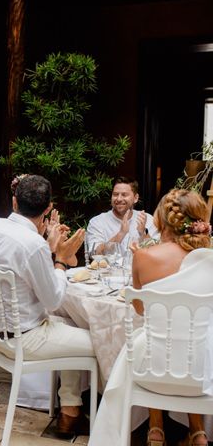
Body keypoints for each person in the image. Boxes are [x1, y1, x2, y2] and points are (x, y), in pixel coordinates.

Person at [89, 189, 212, 446]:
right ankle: (198, 433)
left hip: (153, 374)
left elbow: (140, 309)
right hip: (204, 376)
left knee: (148, 340)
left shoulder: (143, 256)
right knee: (192, 343)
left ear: (161, 220)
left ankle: (155, 431)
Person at [0, 174, 95, 437]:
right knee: (98, 340)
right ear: (48, 208)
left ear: (14, 202)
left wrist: (48, 245)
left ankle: (70, 412)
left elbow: (21, 266)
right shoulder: (32, 245)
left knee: (71, 324)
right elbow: (53, 300)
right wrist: (61, 261)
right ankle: (89, 416)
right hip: (26, 338)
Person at [86, 176, 158, 255]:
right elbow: (95, 253)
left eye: (124, 195)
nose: (119, 199)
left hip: (138, 267)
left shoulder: (148, 219)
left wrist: (143, 233)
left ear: (135, 198)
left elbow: (157, 253)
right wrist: (121, 234)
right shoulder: (97, 222)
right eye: (115, 194)